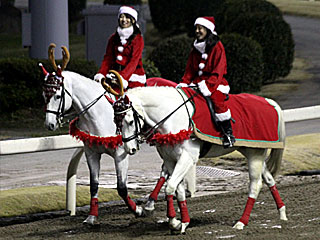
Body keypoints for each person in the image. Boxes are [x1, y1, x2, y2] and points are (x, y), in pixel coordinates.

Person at [177, 16, 235, 148]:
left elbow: (218, 70)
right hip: (197, 82)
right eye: (196, 28)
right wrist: (184, 83)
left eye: (200, 28)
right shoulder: (195, 47)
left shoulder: (217, 46)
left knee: (217, 100)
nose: (197, 31)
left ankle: (228, 133)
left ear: (208, 30)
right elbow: (190, 70)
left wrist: (208, 86)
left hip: (215, 82)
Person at [94, 6, 146, 90]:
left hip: (132, 77)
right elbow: (108, 58)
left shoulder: (138, 39)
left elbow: (134, 61)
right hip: (115, 75)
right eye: (121, 17)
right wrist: (101, 74)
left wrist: (122, 77)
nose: (124, 20)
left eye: (127, 17)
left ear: (132, 20)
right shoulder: (113, 38)